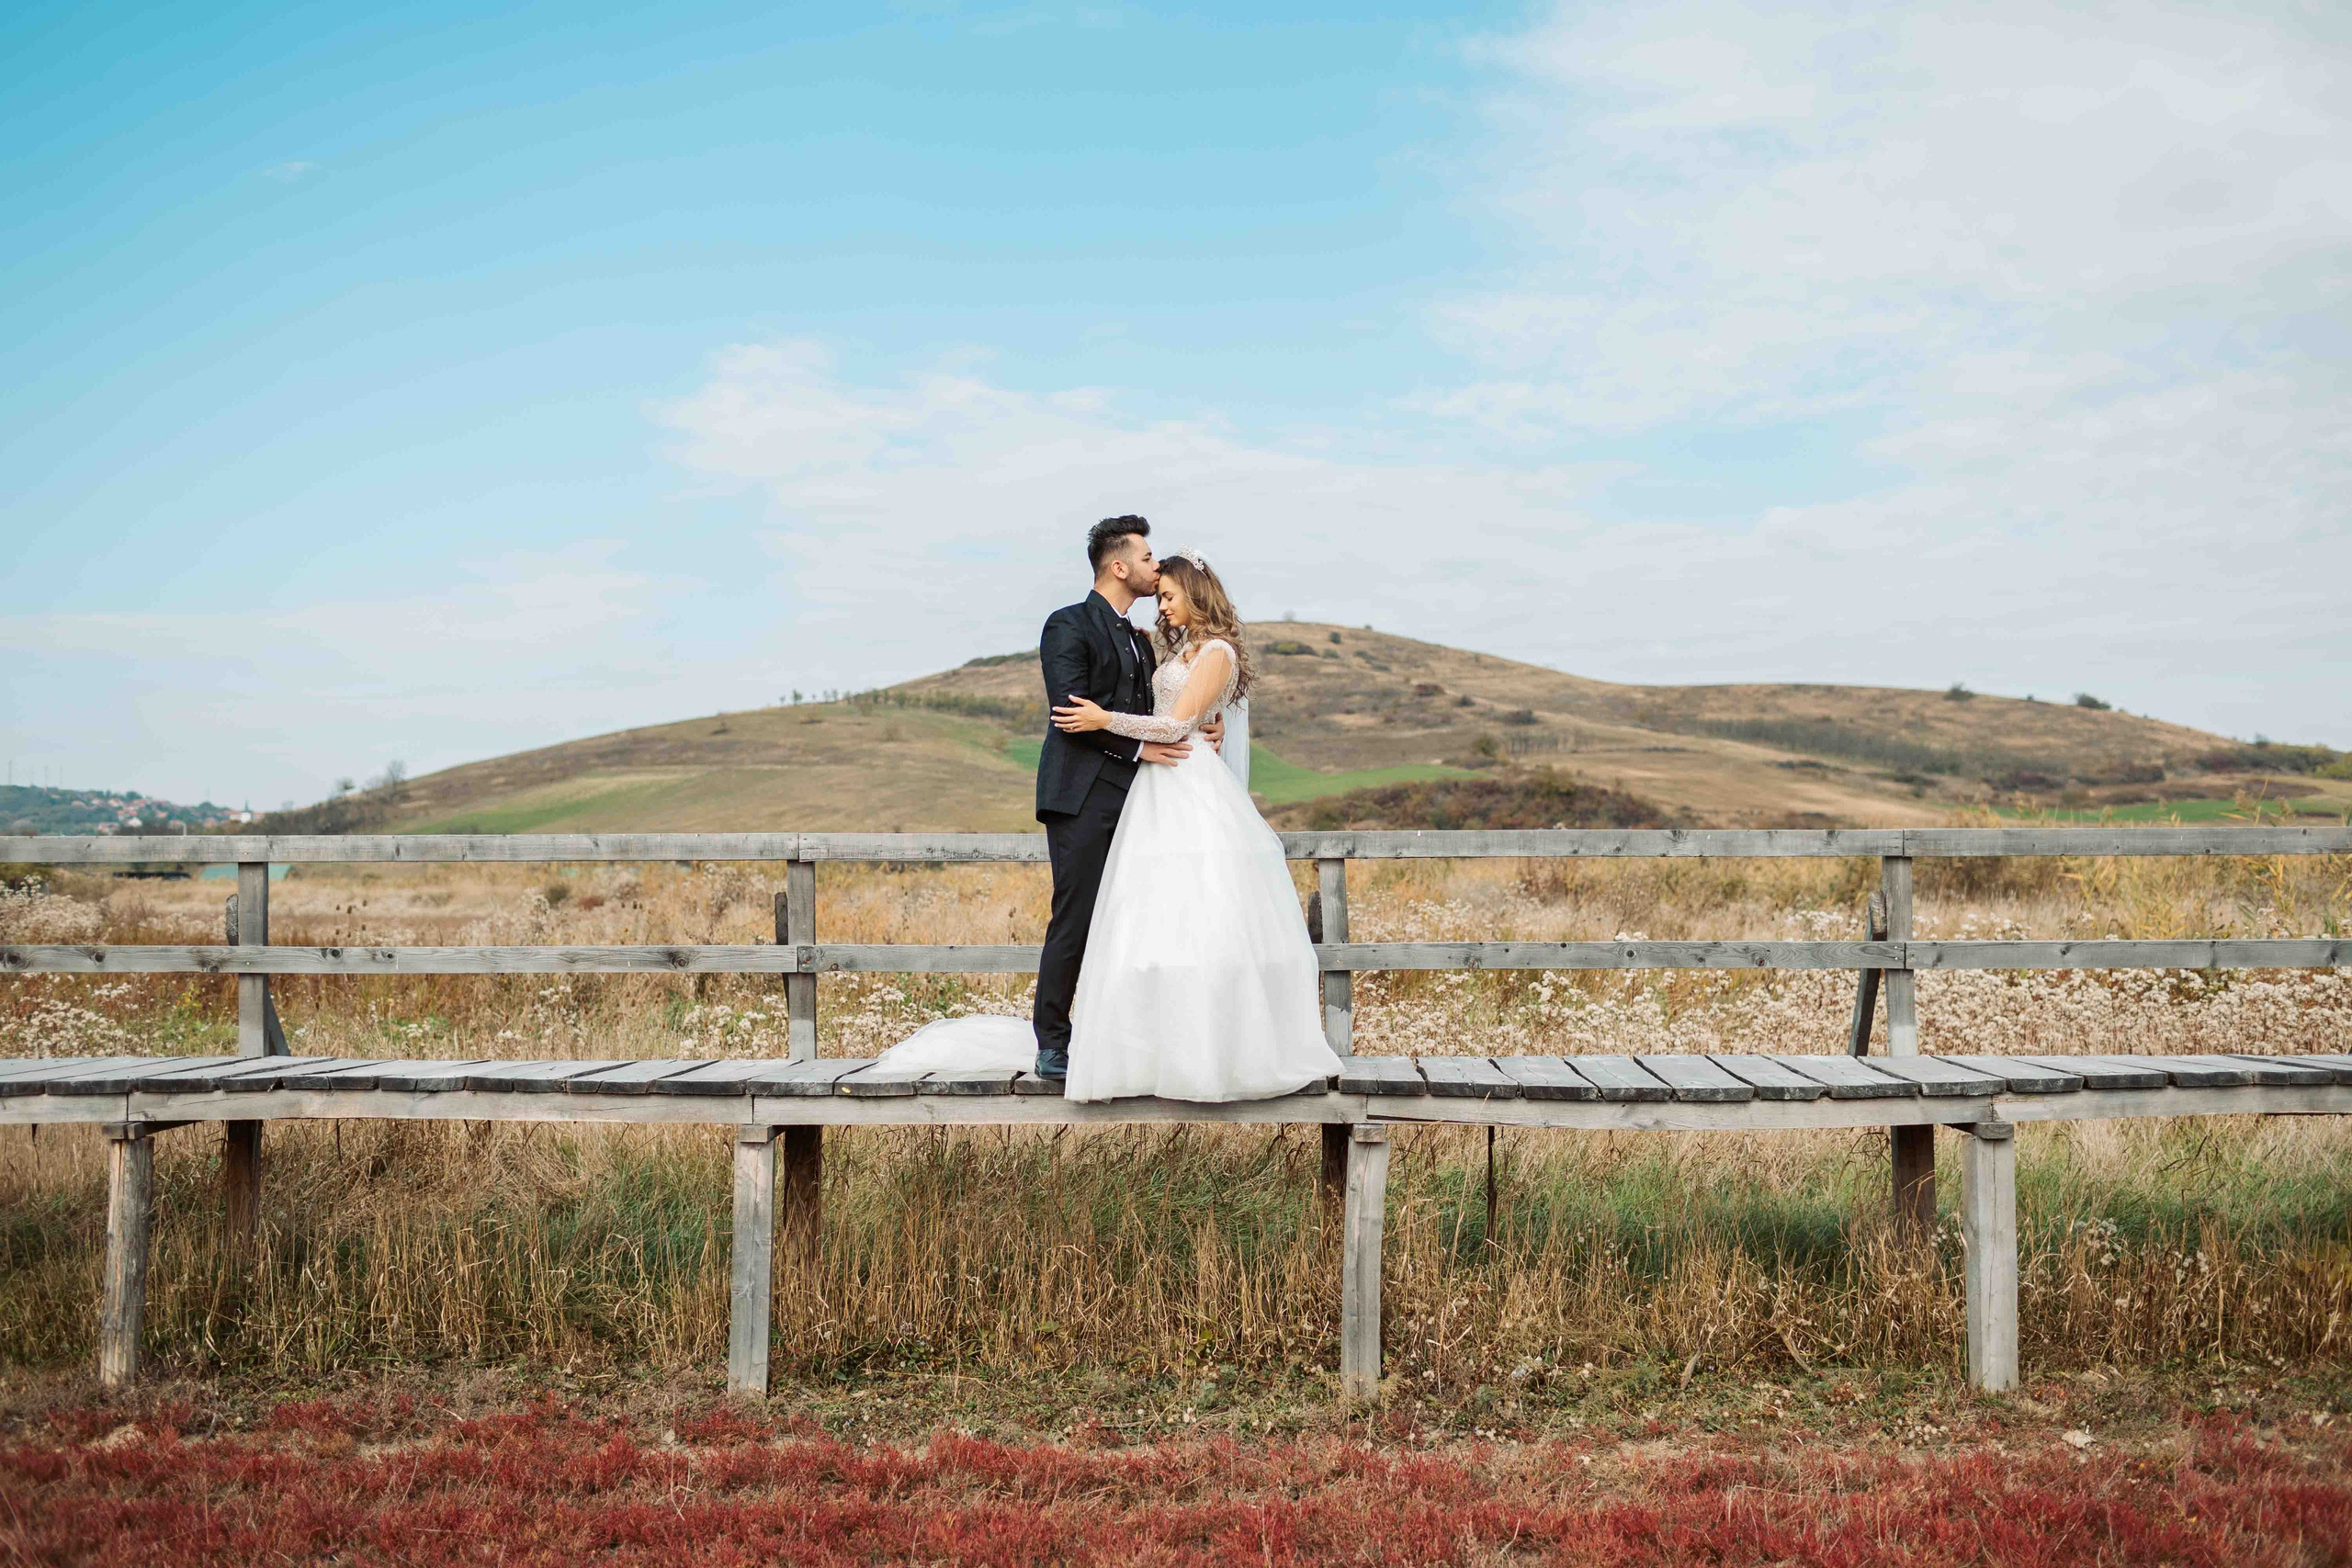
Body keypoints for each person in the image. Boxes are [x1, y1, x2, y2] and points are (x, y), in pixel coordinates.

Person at [874, 535, 1340, 1103]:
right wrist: (1145, 739)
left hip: (1153, 792)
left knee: (1157, 915)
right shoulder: (1069, 625)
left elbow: (1170, 713)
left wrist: (1203, 726)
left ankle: (1165, 1043)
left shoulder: (1150, 646)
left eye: (1168, 589)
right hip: (1088, 794)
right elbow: (1074, 713)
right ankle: (1053, 1042)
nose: (1157, 587)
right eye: (1149, 564)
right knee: (1077, 914)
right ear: (1120, 565)